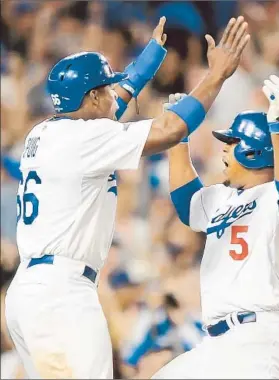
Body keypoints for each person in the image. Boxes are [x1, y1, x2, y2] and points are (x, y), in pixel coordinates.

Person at [5, 16, 250, 379]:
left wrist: (147, 64)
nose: (112, 92)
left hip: (32, 293)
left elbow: (109, 109)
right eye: (105, 88)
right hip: (60, 295)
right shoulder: (84, 139)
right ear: (90, 98)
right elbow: (170, 129)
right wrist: (216, 76)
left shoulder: (45, 133)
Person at [151, 75, 279, 379]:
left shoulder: (277, 195)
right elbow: (188, 205)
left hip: (260, 338)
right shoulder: (221, 197)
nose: (224, 150)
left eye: (232, 142)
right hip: (217, 343)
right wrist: (178, 139)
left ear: (253, 151)